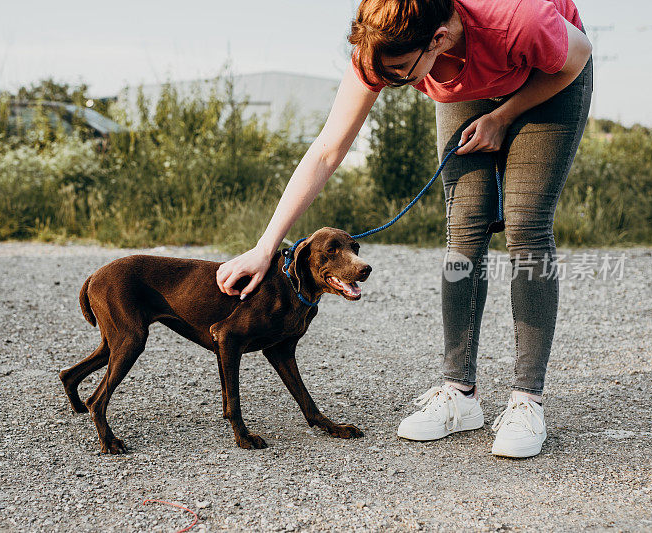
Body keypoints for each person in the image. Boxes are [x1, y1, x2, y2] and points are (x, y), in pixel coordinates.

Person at [215, 0, 593, 459]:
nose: (389, 85)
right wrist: (264, 245)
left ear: (437, 38)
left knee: (525, 227)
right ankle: (460, 393)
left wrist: (502, 116)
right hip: (465, 82)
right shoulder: (384, 47)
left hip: (548, 78)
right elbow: (326, 151)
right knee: (465, 231)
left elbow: (577, 56)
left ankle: (527, 400)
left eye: (397, 73)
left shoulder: (518, 20)